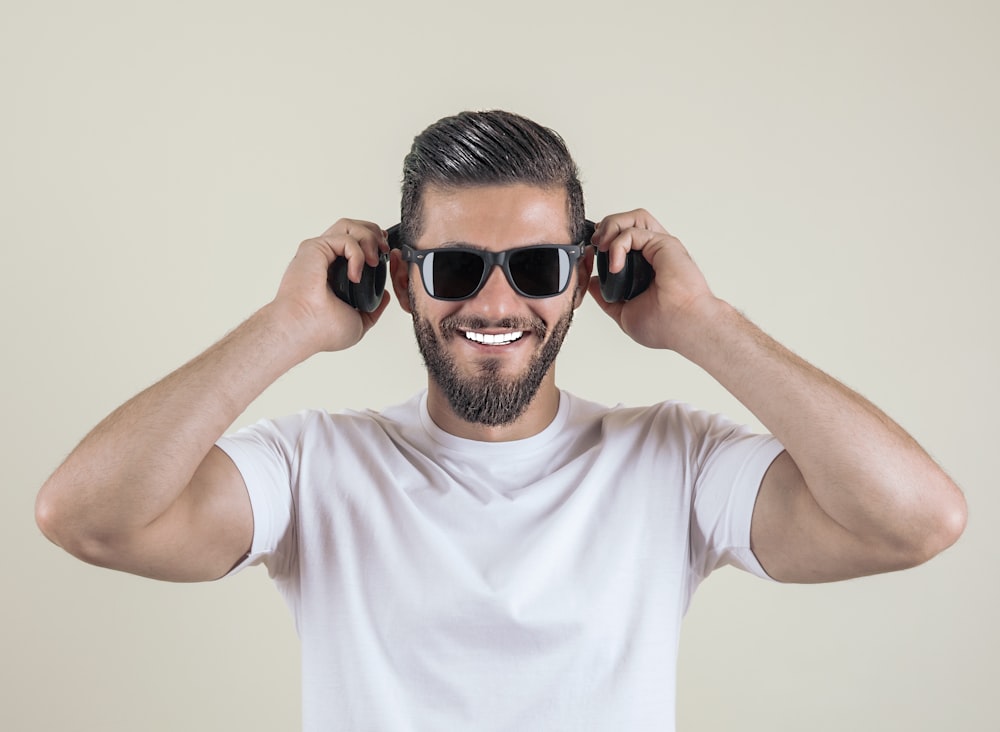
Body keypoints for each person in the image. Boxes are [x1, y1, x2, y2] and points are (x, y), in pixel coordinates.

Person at [35, 110, 967, 731]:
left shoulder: (670, 461)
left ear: (581, 279)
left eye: (533, 269)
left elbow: (917, 520)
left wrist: (702, 324)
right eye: (453, 269)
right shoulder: (314, 465)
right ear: (400, 280)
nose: (494, 302)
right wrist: (287, 327)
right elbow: (85, 516)